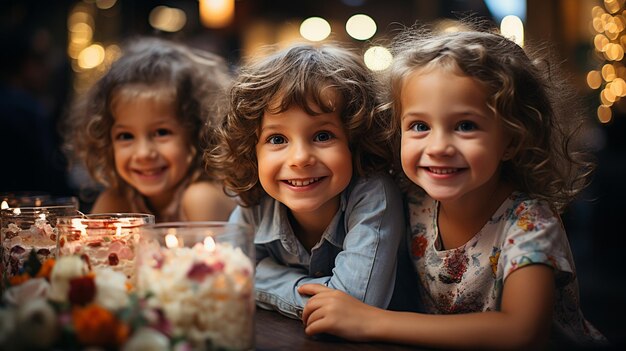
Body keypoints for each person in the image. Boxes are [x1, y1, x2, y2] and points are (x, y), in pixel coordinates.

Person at [298, 27, 609, 348]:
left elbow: (521, 332)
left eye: (465, 126)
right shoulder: (412, 199)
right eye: (420, 126)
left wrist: (370, 321)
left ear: (512, 140)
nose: (439, 147)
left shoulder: (528, 220)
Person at [205, 43, 406, 319]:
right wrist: (311, 293)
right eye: (277, 139)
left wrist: (256, 278)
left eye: (322, 136)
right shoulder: (254, 202)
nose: (300, 158)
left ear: (356, 141)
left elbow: (354, 303)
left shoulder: (373, 194)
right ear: (251, 152)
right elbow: (224, 274)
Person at [63, 37, 235, 221]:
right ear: (106, 143)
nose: (143, 153)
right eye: (126, 136)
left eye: (161, 133)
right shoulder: (120, 200)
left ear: (198, 134)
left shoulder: (201, 198)